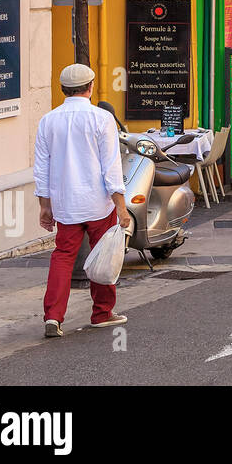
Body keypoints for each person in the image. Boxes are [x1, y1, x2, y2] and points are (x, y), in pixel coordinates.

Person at [35, 64, 131, 337]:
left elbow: (41, 167)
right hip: (98, 202)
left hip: (66, 203)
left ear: (62, 89)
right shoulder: (101, 119)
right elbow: (111, 167)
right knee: (103, 256)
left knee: (63, 257)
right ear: (90, 87)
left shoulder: (48, 120)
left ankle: (53, 317)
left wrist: (45, 205)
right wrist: (121, 207)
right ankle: (102, 312)